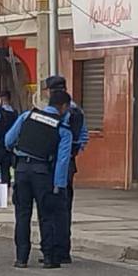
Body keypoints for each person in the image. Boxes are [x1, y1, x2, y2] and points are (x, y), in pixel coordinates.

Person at [4, 89, 73, 269]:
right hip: (43, 173)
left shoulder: (27, 116)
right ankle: (49, 258)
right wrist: (59, 186)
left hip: (21, 171)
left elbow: (8, 140)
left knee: (22, 215)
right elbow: (62, 161)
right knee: (47, 216)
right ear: (64, 107)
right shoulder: (63, 129)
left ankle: (21, 258)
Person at [44, 74, 88, 264]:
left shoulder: (59, 111)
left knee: (52, 207)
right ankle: (62, 249)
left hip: (52, 162)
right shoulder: (78, 111)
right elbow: (83, 137)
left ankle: (55, 249)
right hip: (69, 161)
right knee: (64, 208)